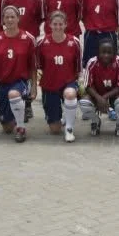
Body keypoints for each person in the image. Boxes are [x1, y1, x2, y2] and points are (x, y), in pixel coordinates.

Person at [0, 6, 37, 143]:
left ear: (18, 19)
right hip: (2, 84)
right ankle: (14, 111)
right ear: (3, 20)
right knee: (7, 128)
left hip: (20, 82)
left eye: (12, 17)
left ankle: (21, 127)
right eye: (6, 17)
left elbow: (33, 66)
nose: (9, 19)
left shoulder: (28, 38)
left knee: (13, 95)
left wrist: (34, 87)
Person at [1, 0, 43, 120]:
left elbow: (40, 18)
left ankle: (28, 104)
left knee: (30, 70)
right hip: (12, 39)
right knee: (16, 70)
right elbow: (4, 19)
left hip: (30, 40)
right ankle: (13, 103)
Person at [36, 11, 81, 143]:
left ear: (66, 25)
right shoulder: (42, 43)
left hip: (68, 82)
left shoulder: (74, 42)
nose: (58, 27)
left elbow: (77, 67)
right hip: (50, 85)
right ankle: (62, 117)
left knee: (70, 94)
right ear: (49, 25)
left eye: (60, 24)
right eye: (55, 24)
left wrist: (79, 84)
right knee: (55, 129)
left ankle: (69, 129)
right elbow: (38, 66)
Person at [79, 39, 119, 137]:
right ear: (98, 52)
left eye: (109, 52)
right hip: (97, 95)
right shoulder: (92, 62)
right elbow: (87, 85)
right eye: (103, 52)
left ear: (114, 53)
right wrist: (99, 98)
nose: (106, 55)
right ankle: (95, 121)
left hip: (114, 95)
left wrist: (104, 98)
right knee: (84, 103)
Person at [81, 0, 119, 69]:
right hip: (91, 35)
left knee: (111, 63)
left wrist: (113, 29)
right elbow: (82, 14)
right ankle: (89, 84)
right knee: (90, 63)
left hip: (108, 35)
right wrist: (91, 25)